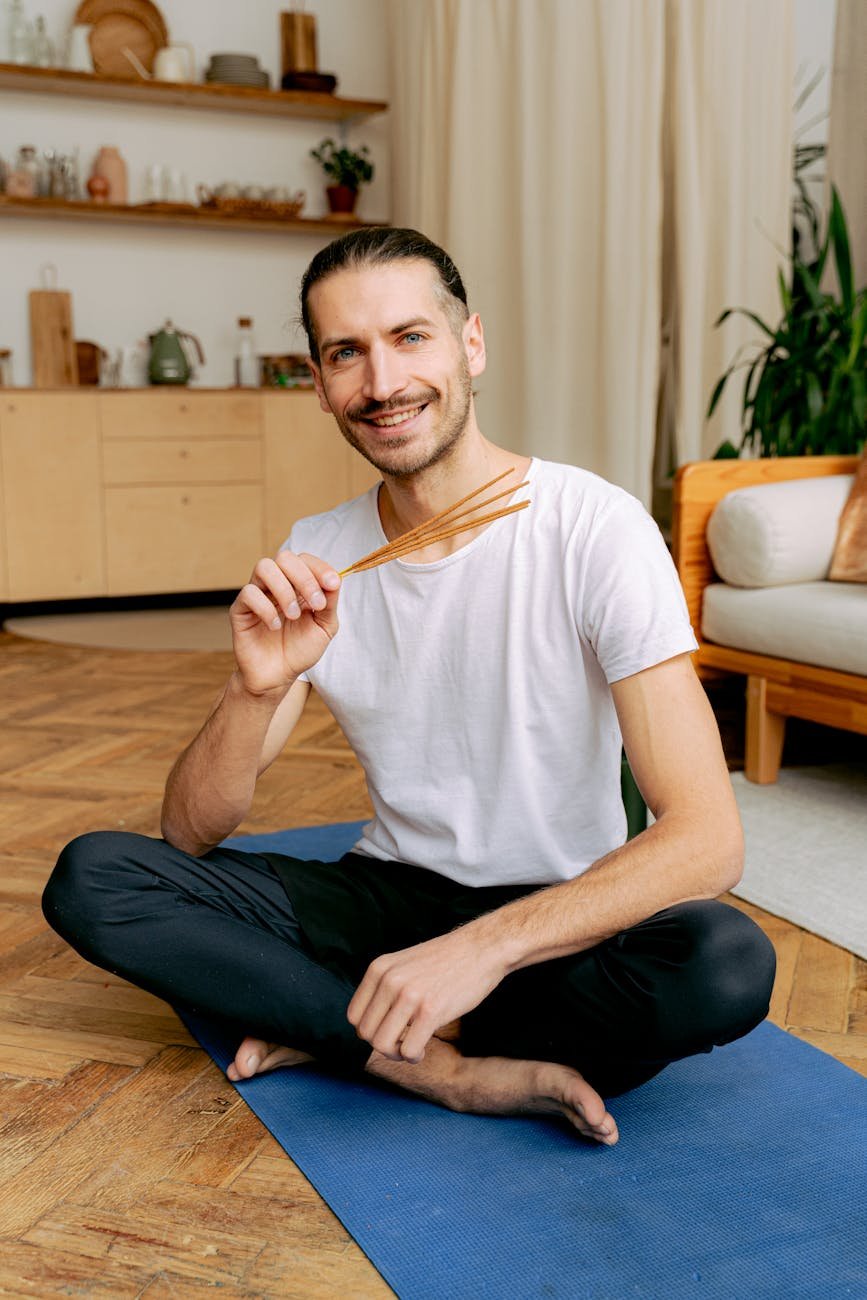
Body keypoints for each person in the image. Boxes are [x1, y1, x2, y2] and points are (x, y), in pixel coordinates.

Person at [43, 227, 776, 1147]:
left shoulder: (595, 527)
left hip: (557, 910)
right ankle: (435, 1064)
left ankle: (343, 1022)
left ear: (470, 344)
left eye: (409, 338)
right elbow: (188, 832)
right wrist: (254, 688)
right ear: (319, 383)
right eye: (346, 353)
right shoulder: (323, 552)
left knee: (723, 963)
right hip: (386, 897)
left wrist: (477, 953)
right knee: (94, 878)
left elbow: (708, 839)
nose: (382, 383)